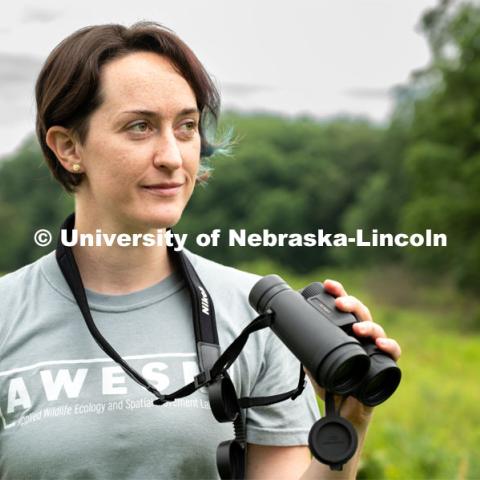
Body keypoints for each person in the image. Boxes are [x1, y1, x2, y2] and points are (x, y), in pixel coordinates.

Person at [0, 22, 401, 480]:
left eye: (186, 126)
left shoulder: (259, 316)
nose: (173, 156)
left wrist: (350, 419)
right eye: (139, 127)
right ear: (69, 147)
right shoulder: (6, 314)